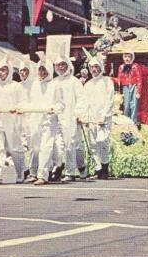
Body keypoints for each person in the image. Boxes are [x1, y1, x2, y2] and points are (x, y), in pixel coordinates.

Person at [0, 57, 25, 185]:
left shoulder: (16, 86)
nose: (1, 73)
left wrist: (17, 108)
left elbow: (22, 102)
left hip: (13, 123)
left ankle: (20, 173)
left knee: (15, 149)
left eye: (3, 70)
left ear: (9, 71)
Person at [52, 54, 86, 182]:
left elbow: (81, 99)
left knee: (72, 144)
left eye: (63, 65)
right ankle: (58, 168)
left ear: (68, 65)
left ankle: (73, 170)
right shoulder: (54, 82)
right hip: (57, 118)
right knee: (59, 145)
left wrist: (78, 113)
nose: (60, 67)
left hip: (71, 117)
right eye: (58, 65)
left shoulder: (74, 82)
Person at [82, 56, 114, 180]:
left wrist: (104, 115)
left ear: (101, 67)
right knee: (93, 144)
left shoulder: (107, 81)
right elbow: (84, 102)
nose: (94, 69)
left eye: (96, 67)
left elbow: (109, 100)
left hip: (103, 118)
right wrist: (83, 115)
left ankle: (105, 168)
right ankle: (98, 169)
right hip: (91, 118)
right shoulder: (88, 84)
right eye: (92, 67)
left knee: (102, 141)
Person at [31, 59, 61, 185]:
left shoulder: (54, 85)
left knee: (46, 147)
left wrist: (54, 110)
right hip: (36, 120)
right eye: (40, 69)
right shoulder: (35, 85)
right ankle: (58, 165)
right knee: (38, 148)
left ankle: (43, 176)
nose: (42, 72)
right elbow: (31, 102)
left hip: (49, 120)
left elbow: (61, 103)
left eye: (45, 69)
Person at [117, 52, 144, 124]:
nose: (127, 59)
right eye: (125, 57)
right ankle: (126, 121)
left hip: (134, 86)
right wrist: (118, 90)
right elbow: (119, 78)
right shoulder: (121, 67)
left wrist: (138, 91)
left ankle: (133, 121)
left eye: (129, 57)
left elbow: (139, 79)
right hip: (125, 86)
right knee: (126, 105)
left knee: (134, 104)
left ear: (132, 58)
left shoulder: (135, 66)